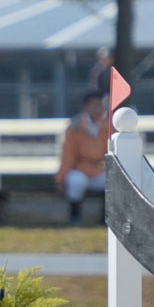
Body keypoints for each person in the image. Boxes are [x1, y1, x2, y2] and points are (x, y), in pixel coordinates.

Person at [55, 90, 110, 226]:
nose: (97, 109)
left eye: (100, 105)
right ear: (85, 107)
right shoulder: (74, 127)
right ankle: (75, 217)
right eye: (93, 105)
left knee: (111, 181)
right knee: (76, 182)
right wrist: (61, 178)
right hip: (80, 169)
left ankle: (105, 219)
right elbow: (68, 155)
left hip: (100, 170)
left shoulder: (109, 127)